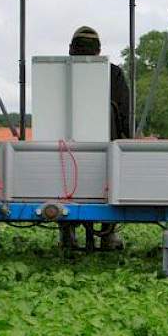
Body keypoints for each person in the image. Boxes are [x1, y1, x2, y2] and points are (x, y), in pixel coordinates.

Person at [60, 26, 129, 251]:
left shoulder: (57, 73)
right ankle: (108, 235)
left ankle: (67, 232)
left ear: (71, 50)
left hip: (64, 154)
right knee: (112, 185)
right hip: (106, 153)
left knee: (62, 183)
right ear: (99, 51)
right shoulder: (114, 74)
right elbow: (125, 117)